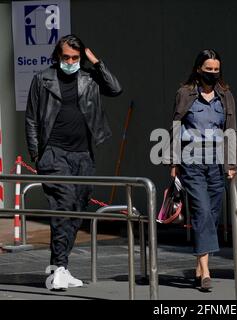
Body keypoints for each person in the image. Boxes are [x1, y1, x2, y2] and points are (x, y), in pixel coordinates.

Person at [25, 34, 122, 289]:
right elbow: (32, 119)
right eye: (66, 57)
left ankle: (62, 267)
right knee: (63, 206)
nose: (70, 61)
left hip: (83, 155)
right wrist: (37, 155)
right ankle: (58, 268)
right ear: (58, 56)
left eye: (75, 58)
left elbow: (115, 89)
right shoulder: (43, 79)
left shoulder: (89, 77)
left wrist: (97, 62)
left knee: (77, 209)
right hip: (54, 153)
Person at [168, 49, 237, 292]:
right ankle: (206, 271)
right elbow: (176, 126)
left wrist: (231, 163)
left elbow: (230, 129)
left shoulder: (225, 95)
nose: (212, 74)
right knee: (202, 210)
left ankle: (199, 265)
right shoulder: (185, 93)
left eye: (216, 70)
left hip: (217, 161)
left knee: (212, 214)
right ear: (199, 69)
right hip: (192, 159)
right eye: (208, 69)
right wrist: (173, 162)